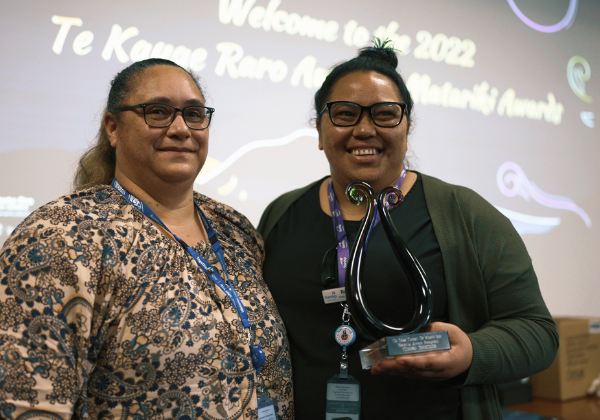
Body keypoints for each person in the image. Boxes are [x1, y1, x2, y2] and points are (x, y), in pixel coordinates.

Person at [258, 40, 558, 419]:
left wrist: (472, 353)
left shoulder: (465, 214)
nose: (365, 129)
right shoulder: (281, 214)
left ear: (406, 127)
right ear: (320, 130)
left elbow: (538, 333)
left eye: (384, 114)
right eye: (345, 113)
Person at [0, 58, 293, 419]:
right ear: (113, 127)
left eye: (195, 114)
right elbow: (29, 403)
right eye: (158, 112)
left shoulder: (236, 231)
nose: (181, 128)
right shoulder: (59, 236)